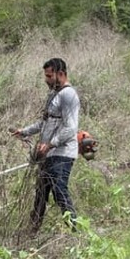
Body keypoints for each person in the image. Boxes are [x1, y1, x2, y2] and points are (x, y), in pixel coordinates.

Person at [11, 57, 80, 232]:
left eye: (50, 76)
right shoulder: (53, 95)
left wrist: (51, 144)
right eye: (46, 76)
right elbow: (44, 123)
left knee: (59, 191)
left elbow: (71, 128)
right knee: (41, 194)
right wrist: (24, 131)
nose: (46, 80)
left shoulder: (68, 95)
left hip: (62, 153)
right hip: (49, 154)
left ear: (61, 74)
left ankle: (76, 231)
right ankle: (32, 232)